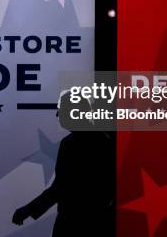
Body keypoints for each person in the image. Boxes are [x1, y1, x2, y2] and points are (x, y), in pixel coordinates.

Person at [12, 93, 115, 236]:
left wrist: (29, 209)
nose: (57, 115)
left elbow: (61, 187)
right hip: (79, 222)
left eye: (61, 110)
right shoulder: (86, 142)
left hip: (83, 224)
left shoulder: (91, 144)